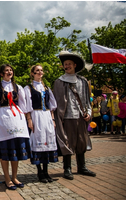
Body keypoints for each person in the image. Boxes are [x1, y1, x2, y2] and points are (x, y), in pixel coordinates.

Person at [53, 51, 96, 180]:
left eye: (69, 64)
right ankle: (67, 168)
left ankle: (81, 167)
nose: (67, 66)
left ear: (75, 65)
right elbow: (57, 102)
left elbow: (87, 100)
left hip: (81, 117)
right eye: (65, 64)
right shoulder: (59, 82)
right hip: (67, 117)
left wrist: (88, 113)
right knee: (68, 142)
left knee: (81, 141)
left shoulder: (83, 81)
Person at [0, 64, 31, 190]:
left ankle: (14, 177)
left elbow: (24, 106)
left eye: (11, 70)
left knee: (15, 151)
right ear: (1, 74)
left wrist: (27, 120)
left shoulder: (18, 87)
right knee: (5, 152)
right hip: (3, 120)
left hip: (17, 120)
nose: (9, 72)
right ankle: (7, 178)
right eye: (6, 70)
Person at [24, 65, 58, 183]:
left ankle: (46, 171)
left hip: (47, 116)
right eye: (37, 70)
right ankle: (39, 172)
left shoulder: (47, 88)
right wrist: (29, 119)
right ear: (32, 73)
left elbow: (51, 105)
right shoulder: (28, 88)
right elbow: (26, 105)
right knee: (38, 141)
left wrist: (53, 119)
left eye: (41, 70)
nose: (40, 72)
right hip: (36, 116)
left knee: (48, 141)